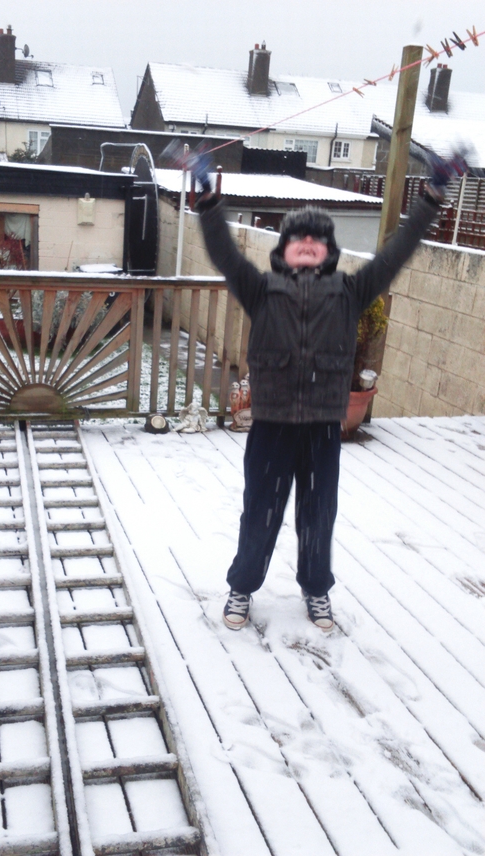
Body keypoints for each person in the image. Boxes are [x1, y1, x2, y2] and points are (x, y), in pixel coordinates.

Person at [193, 151, 464, 632]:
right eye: (299, 238)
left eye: (318, 240)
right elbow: (224, 253)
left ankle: (316, 590)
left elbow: (396, 251)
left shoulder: (351, 292)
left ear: (330, 252)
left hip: (321, 430)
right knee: (261, 512)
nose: (308, 244)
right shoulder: (260, 289)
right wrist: (210, 203)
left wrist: (430, 198)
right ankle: (242, 587)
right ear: (283, 249)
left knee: (318, 517)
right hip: (272, 428)